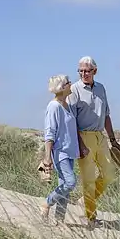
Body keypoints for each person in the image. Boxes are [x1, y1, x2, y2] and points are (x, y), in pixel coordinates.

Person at [69, 56, 120, 228]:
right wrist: (80, 144)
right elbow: (72, 120)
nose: (84, 73)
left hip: (100, 137)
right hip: (83, 136)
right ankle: (90, 216)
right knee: (88, 179)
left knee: (109, 175)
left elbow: (106, 115)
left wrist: (113, 140)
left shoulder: (101, 89)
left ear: (95, 71)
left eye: (87, 70)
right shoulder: (74, 90)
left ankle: (85, 201)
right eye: (81, 70)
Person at [41, 74, 88, 225]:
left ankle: (59, 221)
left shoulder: (67, 105)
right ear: (62, 88)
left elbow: (73, 129)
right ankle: (46, 203)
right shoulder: (53, 106)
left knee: (65, 188)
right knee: (70, 183)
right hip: (60, 152)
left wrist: (82, 147)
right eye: (68, 83)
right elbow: (49, 133)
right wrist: (47, 157)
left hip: (70, 152)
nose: (71, 84)